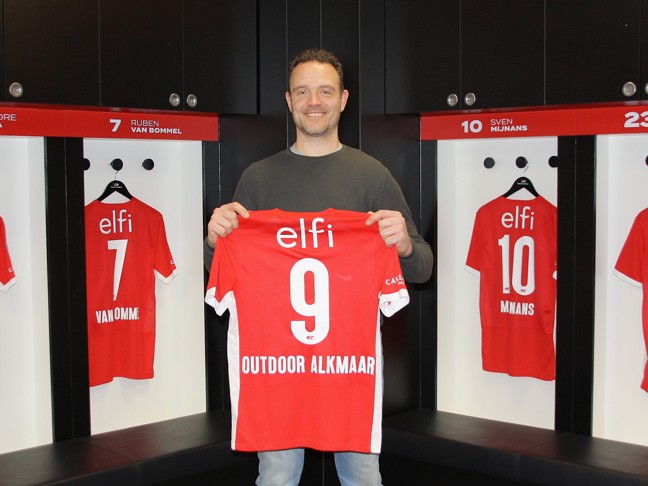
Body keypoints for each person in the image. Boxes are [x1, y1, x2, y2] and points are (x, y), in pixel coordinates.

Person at [204, 48, 433, 486]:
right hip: (276, 366)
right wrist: (214, 240)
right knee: (277, 474)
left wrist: (404, 245)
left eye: (325, 91)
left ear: (343, 99)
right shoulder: (258, 178)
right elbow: (222, 270)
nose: (314, 102)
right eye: (303, 92)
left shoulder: (372, 176)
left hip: (347, 365)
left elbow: (422, 268)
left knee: (362, 476)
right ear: (288, 100)